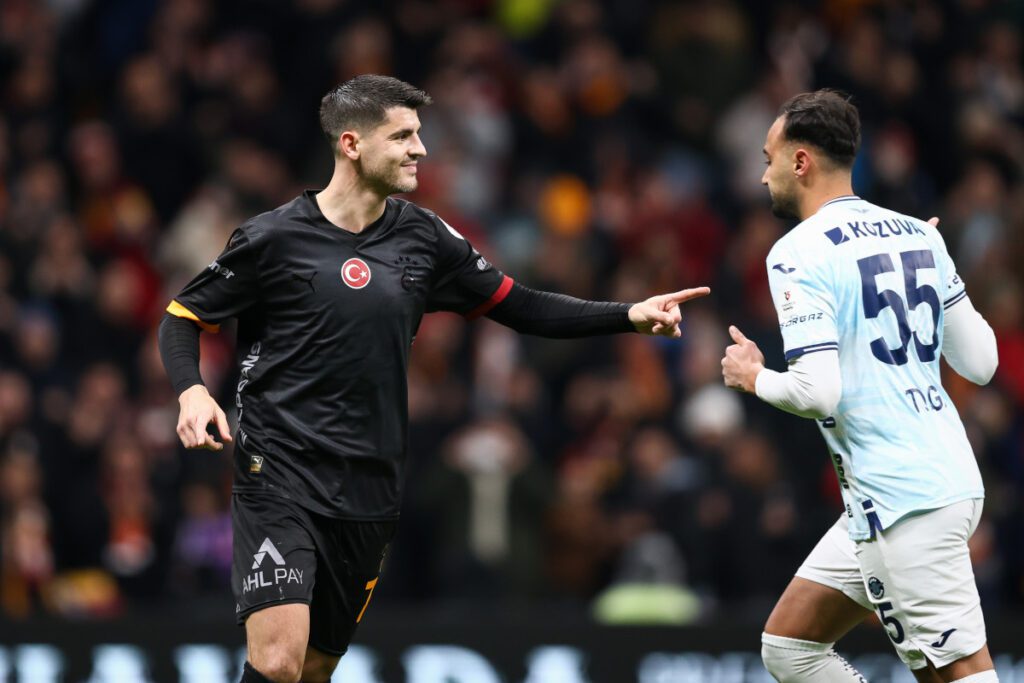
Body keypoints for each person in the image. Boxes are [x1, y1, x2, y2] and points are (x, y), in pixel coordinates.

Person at [157, 74, 709, 683]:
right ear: (352, 144)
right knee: (279, 662)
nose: (421, 148)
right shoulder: (271, 238)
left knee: (315, 670)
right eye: (403, 136)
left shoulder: (424, 238)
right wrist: (192, 390)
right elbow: (183, 318)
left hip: (370, 485)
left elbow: (519, 305)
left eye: (419, 134)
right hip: (278, 472)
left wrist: (628, 315)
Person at [721, 89, 1000, 683]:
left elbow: (817, 393)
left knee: (959, 674)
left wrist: (754, 377)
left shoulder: (795, 252)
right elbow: (981, 362)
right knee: (789, 646)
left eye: (767, 157)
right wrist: (936, 261)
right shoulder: (916, 234)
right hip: (928, 485)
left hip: (904, 500)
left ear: (801, 163)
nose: (761, 174)